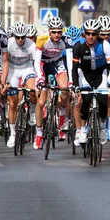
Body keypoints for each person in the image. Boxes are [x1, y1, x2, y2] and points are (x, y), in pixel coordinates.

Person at [72, 18, 110, 146]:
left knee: (103, 101)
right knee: (85, 99)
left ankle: (102, 127)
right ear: (84, 33)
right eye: (88, 33)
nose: (91, 37)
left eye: (94, 34)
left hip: (101, 74)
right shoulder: (78, 46)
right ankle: (83, 130)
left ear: (97, 34)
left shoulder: (104, 45)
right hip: (85, 74)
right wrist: (76, 86)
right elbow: (74, 69)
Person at [34, 16, 69, 149]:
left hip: (56, 64)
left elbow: (69, 63)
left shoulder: (66, 40)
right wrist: (39, 79)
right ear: (49, 31)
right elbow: (37, 61)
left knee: (65, 89)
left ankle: (62, 116)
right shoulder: (42, 39)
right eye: (54, 32)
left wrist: (70, 82)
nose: (56, 34)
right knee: (41, 102)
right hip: (43, 64)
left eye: (59, 32)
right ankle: (38, 133)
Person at [2, 22, 37, 148]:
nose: (20, 40)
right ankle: (12, 133)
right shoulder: (8, 43)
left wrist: (40, 77)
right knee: (12, 103)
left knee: (33, 90)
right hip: (12, 71)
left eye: (23, 37)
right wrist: (4, 80)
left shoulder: (31, 44)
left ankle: (32, 109)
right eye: (18, 37)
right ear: (14, 36)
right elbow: (4, 62)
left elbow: (37, 62)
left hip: (27, 69)